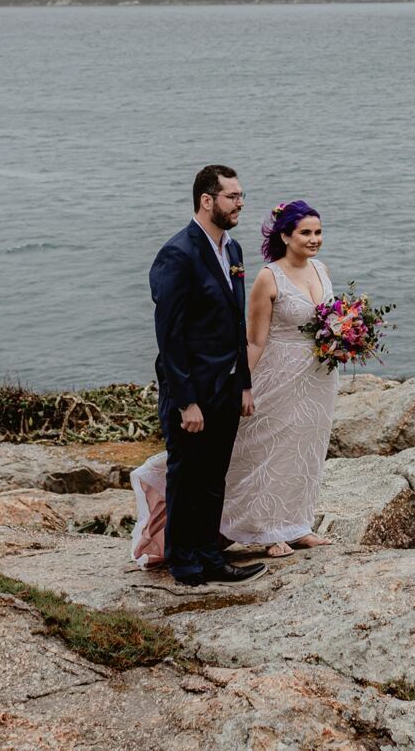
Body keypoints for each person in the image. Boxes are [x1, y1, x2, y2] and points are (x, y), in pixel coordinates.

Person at [133, 200, 341, 564]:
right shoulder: (268, 276)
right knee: (264, 448)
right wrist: (240, 383)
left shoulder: (322, 270)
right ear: (285, 235)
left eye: (318, 232)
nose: (314, 239)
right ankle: (267, 530)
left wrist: (346, 339)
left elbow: (330, 320)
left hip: (319, 377)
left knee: (305, 447)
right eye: (306, 232)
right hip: (278, 374)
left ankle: (298, 524)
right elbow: (255, 339)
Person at [142, 165, 265, 586]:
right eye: (232, 196)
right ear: (207, 200)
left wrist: (244, 383)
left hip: (227, 386)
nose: (241, 203)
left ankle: (212, 556)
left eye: (241, 195)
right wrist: (185, 400)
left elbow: (237, 324)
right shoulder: (178, 253)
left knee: (215, 478)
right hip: (192, 389)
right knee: (187, 476)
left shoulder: (233, 251)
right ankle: (183, 561)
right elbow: (169, 335)